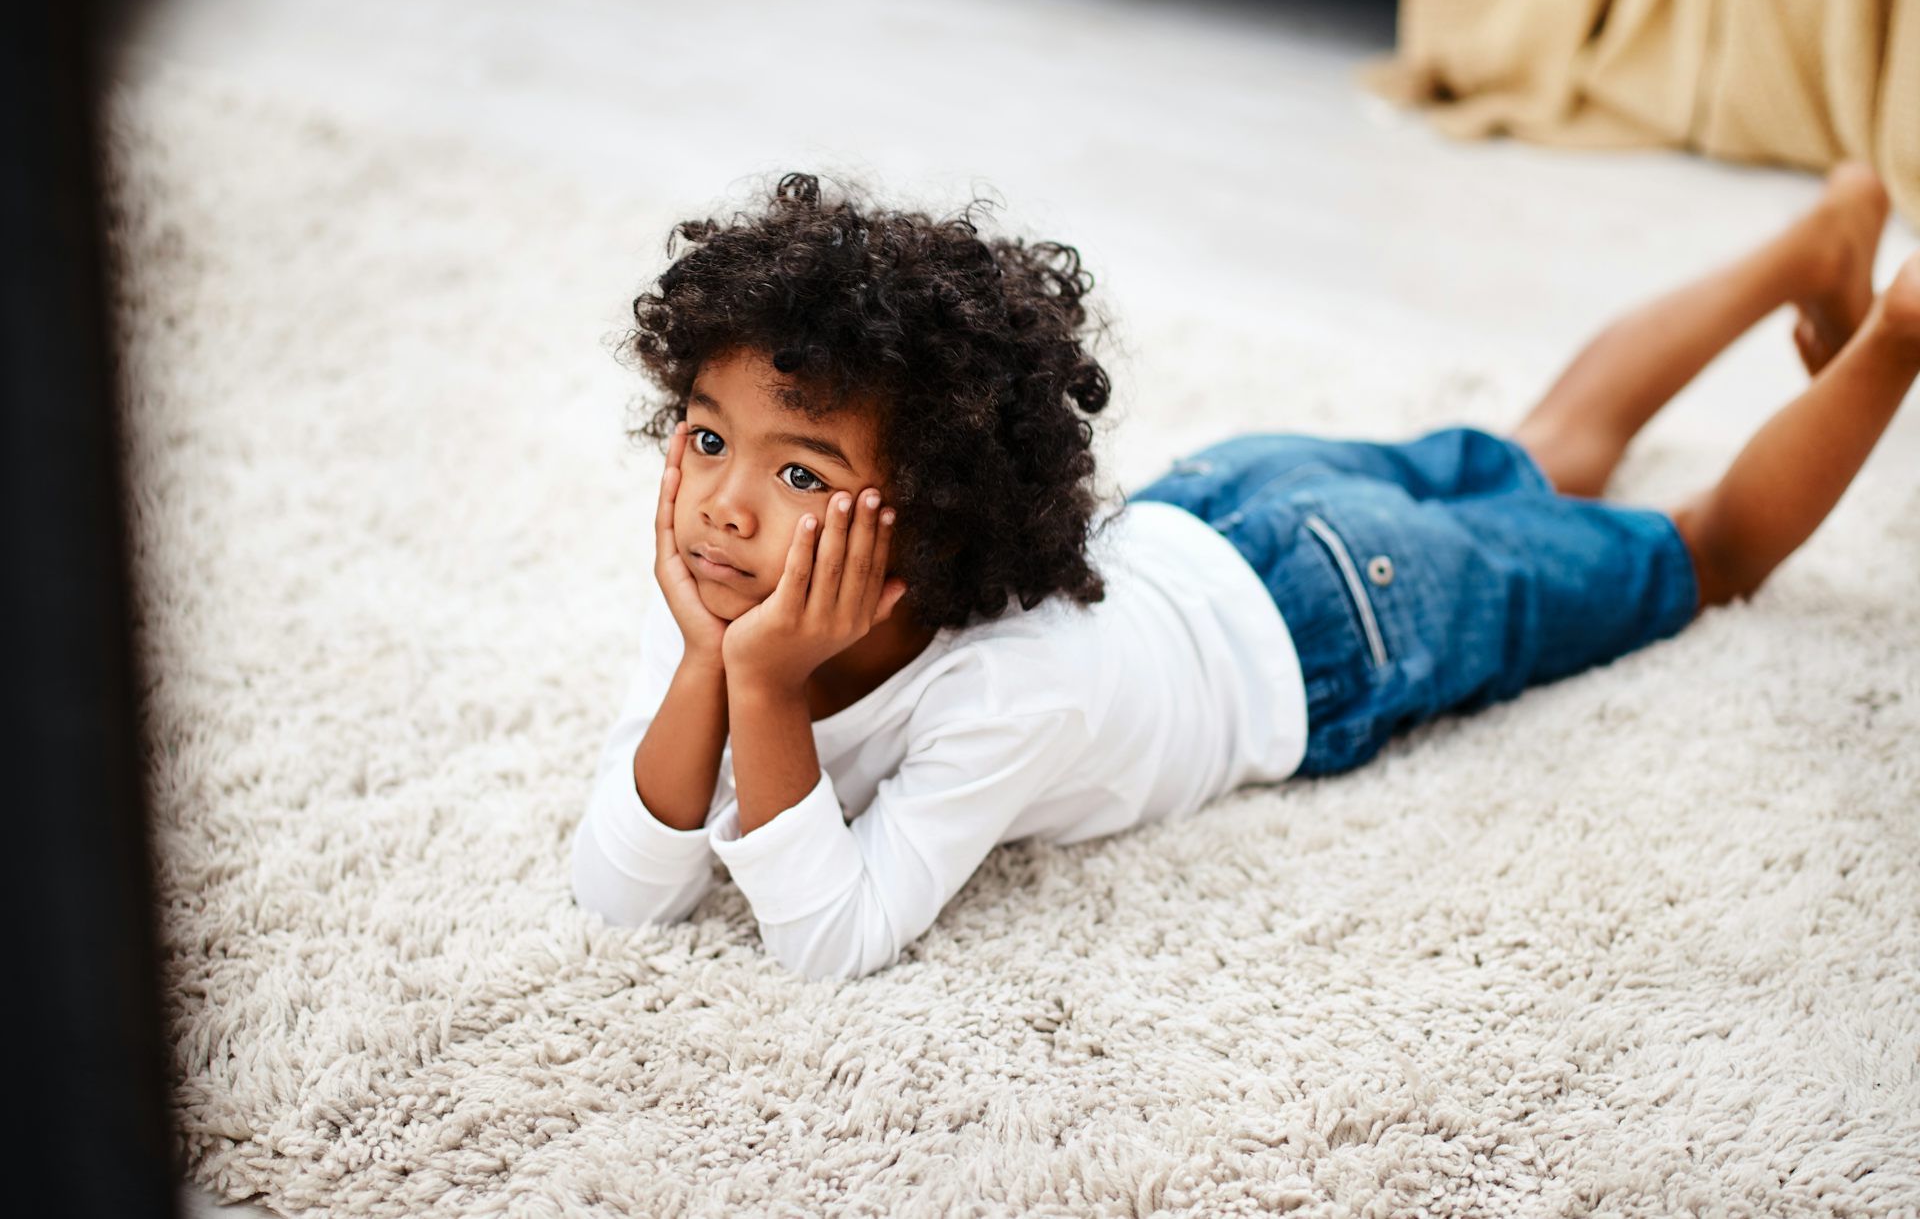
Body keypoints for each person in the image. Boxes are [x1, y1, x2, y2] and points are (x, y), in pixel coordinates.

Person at [571, 165, 1912, 983]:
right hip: (1223, 503)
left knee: (1707, 554)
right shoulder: (723, 584)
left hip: (1350, 614)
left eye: (799, 473)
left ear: (927, 519)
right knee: (1541, 449)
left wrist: (753, 681)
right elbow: (621, 895)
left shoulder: (1009, 688)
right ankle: (1814, 245)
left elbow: (827, 940)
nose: (724, 504)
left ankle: (1899, 334)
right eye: (703, 435)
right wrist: (711, 661)